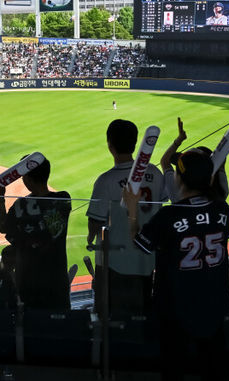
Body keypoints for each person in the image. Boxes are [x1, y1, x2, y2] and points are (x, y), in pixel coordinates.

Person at [125, 149, 229, 381]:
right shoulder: (222, 209)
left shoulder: (169, 215)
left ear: (180, 178)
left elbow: (141, 244)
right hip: (214, 302)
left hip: (176, 305)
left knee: (174, 367)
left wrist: (132, 210)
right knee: (215, 366)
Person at [86, 119, 167, 317]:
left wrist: (90, 237)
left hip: (116, 263)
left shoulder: (106, 180)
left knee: (112, 321)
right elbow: (161, 204)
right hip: (148, 261)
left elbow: (95, 225)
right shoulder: (156, 173)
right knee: (143, 318)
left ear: (110, 145)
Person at [0, 155, 71, 310]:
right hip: (56, 279)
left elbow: (3, 227)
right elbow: (53, 229)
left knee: (30, 327)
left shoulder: (20, 205)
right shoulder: (63, 198)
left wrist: (1, 198)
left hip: (26, 280)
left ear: (27, 180)